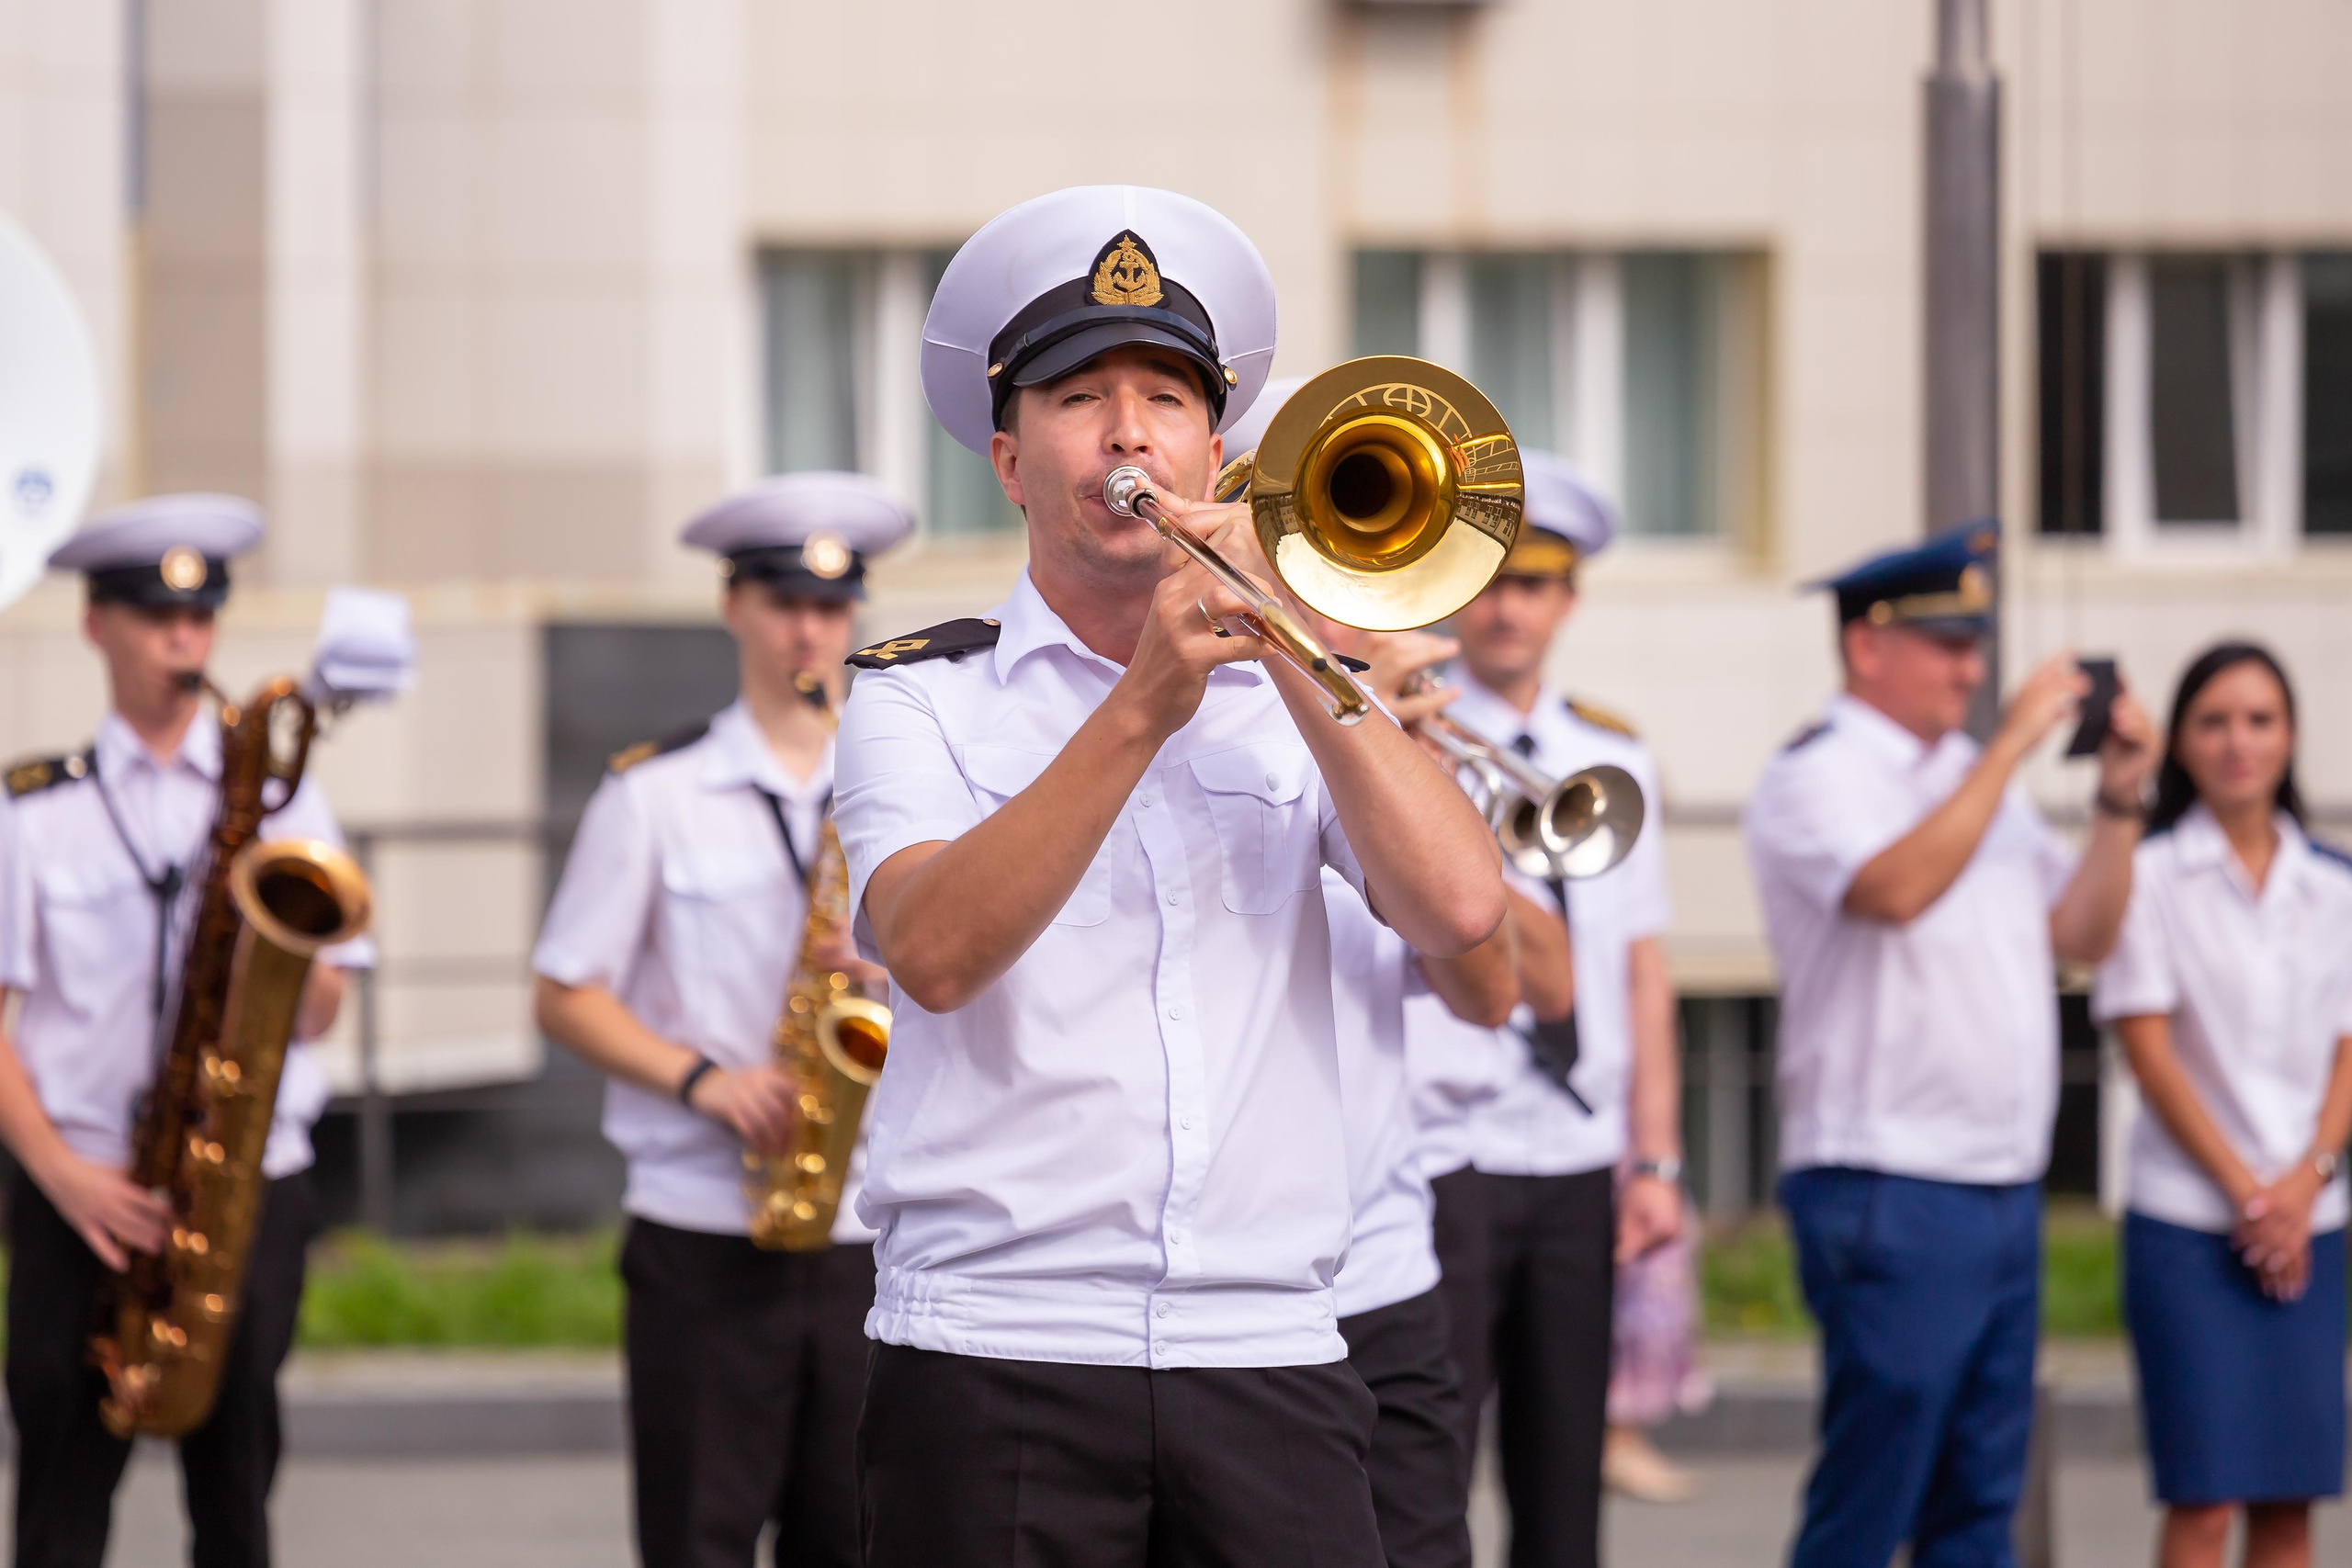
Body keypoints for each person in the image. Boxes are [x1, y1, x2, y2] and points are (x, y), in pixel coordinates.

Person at [834, 185, 1508, 1568]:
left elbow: (1461, 911)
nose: (1130, 430)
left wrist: (1312, 646)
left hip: (1268, 1341)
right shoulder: (921, 701)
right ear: (1012, 457)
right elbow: (939, 950)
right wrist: (1145, 698)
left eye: (1167, 396)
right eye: (1083, 394)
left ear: (1219, 444)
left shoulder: (1296, 685)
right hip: (996, 1348)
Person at [1743, 521, 2155, 1568]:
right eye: (1947, 646)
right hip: (1888, 1176)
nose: (1971, 670)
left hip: (1994, 1176)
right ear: (1865, 648)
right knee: (1874, 1491)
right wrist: (2013, 747)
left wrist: (2116, 802)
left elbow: (2080, 935)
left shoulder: (1969, 774)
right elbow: (1891, 890)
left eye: (1975, 646)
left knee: (1980, 1494)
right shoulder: (1818, 771)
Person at [531, 473, 911, 1568]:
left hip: (867, 1238)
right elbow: (563, 991)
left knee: (854, 1540)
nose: (811, 629)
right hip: (704, 1229)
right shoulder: (655, 794)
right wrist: (707, 1082)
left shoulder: (892, 789)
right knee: (696, 1538)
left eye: (833, 608)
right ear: (733, 605)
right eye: (786, 601)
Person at [0, 495, 373, 1568]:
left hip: (246, 1185)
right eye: (155, 618)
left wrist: (279, 953)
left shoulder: (281, 799)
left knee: (237, 1505)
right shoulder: (36, 809)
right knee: (59, 1511)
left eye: (200, 620)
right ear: (96, 626)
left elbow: (324, 1005)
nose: (183, 641)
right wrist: (68, 1180)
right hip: (84, 1193)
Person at [1420, 451, 1683, 1568]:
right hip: (1454, 1145)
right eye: (1485, 580)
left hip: (1577, 1152)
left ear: (1567, 599)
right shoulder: (1410, 729)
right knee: (1431, 1472)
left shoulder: (1611, 755)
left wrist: (1655, 1162)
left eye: (1532, 584)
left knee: (1564, 1476)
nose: (1506, 606)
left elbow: (1639, 968)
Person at [2091, 641, 2352, 1568]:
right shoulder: (2149, 875)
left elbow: (2345, 1051)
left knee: (2289, 1504)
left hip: (2310, 1224)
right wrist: (2251, 1196)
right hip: (2190, 1224)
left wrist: (2304, 1183)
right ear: (2179, 743)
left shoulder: (2332, 880)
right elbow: (2148, 1051)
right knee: (2204, 1498)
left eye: (2259, 719)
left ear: (2289, 737)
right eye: (2212, 720)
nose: (2237, 742)